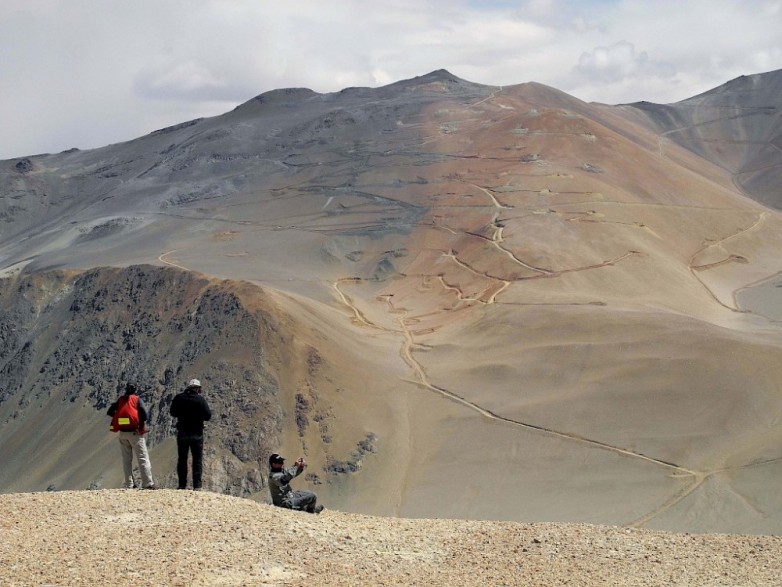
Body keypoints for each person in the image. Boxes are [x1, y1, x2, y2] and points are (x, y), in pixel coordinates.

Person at [107, 383, 156, 489]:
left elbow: (110, 411)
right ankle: (148, 483)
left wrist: (118, 417)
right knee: (142, 458)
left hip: (122, 434)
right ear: (135, 390)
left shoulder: (120, 400)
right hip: (135, 434)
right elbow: (144, 414)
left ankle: (129, 484)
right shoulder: (136, 399)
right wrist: (140, 423)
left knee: (126, 461)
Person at [170, 378, 212, 490]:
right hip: (197, 434)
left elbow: (172, 412)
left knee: (182, 459)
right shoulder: (200, 400)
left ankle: (182, 485)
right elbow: (208, 416)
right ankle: (197, 486)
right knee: (197, 460)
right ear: (198, 388)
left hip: (182, 433)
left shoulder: (179, 398)